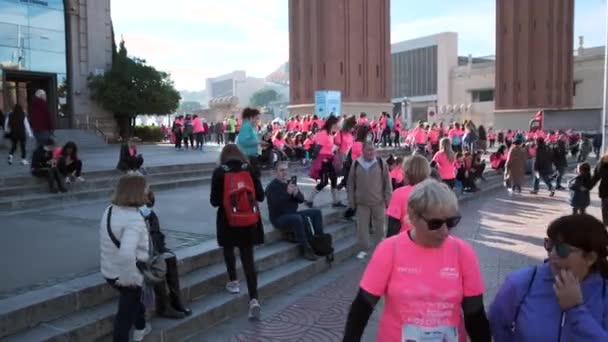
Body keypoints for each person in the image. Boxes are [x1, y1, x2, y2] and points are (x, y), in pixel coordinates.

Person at [343, 179, 491, 342]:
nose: (445, 231)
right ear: (413, 217)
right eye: (435, 223)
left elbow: (475, 314)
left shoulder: (463, 253)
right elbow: (362, 307)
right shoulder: (389, 250)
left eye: (451, 222)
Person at [489, 214, 608, 341]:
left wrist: (575, 310)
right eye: (550, 245)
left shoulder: (603, 292)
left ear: (590, 258)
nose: (553, 254)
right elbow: (498, 324)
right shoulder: (521, 282)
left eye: (563, 250)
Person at [209, 144, 264, 320]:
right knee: (248, 259)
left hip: (227, 220)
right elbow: (261, 196)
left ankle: (233, 282)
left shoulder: (219, 171)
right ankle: (254, 299)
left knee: (228, 248)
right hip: (249, 220)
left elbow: (215, 201)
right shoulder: (250, 169)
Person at [100, 174, 152, 342]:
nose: (148, 191)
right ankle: (136, 331)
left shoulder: (109, 210)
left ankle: (141, 327)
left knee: (133, 304)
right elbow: (126, 253)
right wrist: (131, 280)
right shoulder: (134, 219)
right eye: (145, 188)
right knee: (123, 319)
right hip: (126, 275)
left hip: (109, 270)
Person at [141, 190, 191, 319]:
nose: (148, 206)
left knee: (170, 258)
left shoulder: (150, 215)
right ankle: (163, 307)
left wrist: (161, 249)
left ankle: (176, 301)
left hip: (153, 249)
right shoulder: (134, 216)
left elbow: (157, 234)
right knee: (159, 262)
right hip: (140, 253)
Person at [265, 162, 324, 261]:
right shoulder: (271, 187)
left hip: (292, 214)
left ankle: (319, 240)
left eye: (286, 170)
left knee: (316, 212)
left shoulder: (290, 183)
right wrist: (287, 194)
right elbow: (275, 205)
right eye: (281, 170)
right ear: (276, 172)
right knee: (297, 218)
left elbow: (301, 200)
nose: (285, 172)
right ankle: (306, 249)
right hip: (279, 218)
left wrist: (296, 193)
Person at [347, 142, 392, 259]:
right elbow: (351, 183)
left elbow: (388, 182)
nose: (371, 152)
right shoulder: (356, 164)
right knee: (362, 229)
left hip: (379, 202)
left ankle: (380, 250)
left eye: (373, 150)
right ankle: (364, 249)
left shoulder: (381, 163)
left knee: (380, 229)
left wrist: (388, 198)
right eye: (368, 150)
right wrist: (351, 200)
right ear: (362, 151)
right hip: (362, 203)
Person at [385, 154, 431, 238]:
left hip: (405, 240)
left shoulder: (399, 193)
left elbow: (393, 226)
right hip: (429, 240)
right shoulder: (434, 191)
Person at [307, 115, 345, 208]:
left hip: (329, 159)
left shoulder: (330, 133)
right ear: (331, 124)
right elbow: (317, 148)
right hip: (322, 161)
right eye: (336, 124)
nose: (337, 126)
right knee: (324, 182)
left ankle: (336, 201)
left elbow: (329, 147)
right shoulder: (323, 133)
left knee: (334, 179)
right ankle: (309, 200)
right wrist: (315, 160)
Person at [591, 153, 608, 225]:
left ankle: (605, 225)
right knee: (605, 209)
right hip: (605, 189)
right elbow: (596, 176)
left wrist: (588, 186)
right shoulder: (603, 161)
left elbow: (596, 176)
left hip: (605, 189)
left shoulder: (603, 160)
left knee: (605, 209)